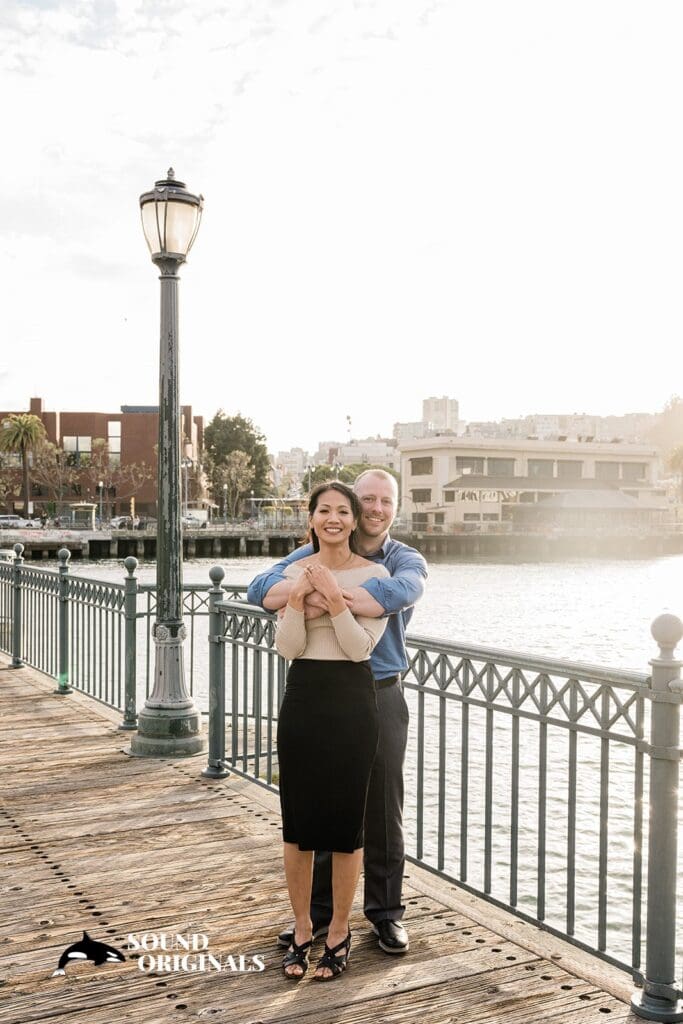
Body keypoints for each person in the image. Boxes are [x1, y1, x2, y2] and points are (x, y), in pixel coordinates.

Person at [247, 469, 427, 956]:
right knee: (324, 808)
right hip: (322, 692)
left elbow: (399, 594)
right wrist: (306, 591)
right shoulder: (311, 555)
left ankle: (386, 915)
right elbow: (259, 588)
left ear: (396, 507)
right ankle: (321, 917)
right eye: (365, 498)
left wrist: (329, 594)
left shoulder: (402, 560)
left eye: (383, 501)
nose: (374, 508)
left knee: (382, 809)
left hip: (380, 689)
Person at [274, 480, 389, 981]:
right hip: (303, 699)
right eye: (325, 510)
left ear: (354, 519)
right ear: (313, 518)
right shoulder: (292, 573)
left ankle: (339, 931)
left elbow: (360, 647)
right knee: (298, 828)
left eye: (344, 510)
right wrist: (301, 596)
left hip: (351, 703)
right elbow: (288, 647)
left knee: (346, 828)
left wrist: (335, 601)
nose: (335, 518)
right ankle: (302, 927)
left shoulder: (375, 576)